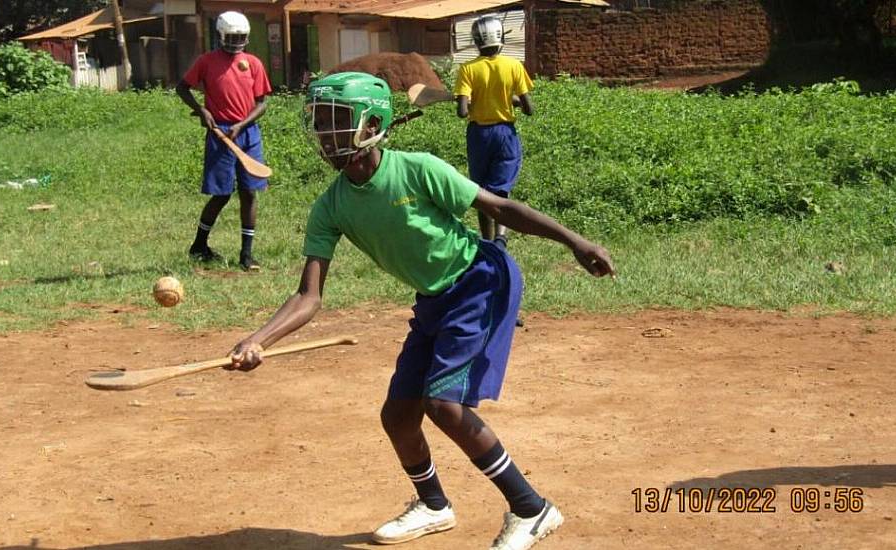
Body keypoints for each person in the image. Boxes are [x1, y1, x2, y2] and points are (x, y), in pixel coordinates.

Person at [229, 72, 615, 550]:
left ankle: (531, 509)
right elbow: (309, 296)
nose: (323, 134)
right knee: (398, 414)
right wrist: (258, 340)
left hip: (478, 281)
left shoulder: (418, 168)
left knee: (443, 404)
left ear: (372, 124)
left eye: (335, 121)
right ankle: (434, 504)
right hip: (433, 300)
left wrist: (575, 242)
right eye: (318, 121)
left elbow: (499, 208)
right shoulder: (330, 207)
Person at [176, 10, 272, 271]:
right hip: (220, 134)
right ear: (220, 35)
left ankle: (247, 255)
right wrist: (202, 110)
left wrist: (242, 124)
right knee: (221, 195)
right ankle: (199, 246)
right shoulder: (206, 61)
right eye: (231, 36)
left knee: (249, 193)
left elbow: (262, 103)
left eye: (240, 36)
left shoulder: (253, 63)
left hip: (248, 134)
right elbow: (182, 87)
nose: (236, 41)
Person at [453, 14, 534, 249]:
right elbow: (529, 109)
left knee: (481, 191)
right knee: (500, 189)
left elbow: (462, 111)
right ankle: (501, 237)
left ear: (476, 40)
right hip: (505, 135)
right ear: (500, 37)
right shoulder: (514, 65)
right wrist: (512, 100)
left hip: (479, 136)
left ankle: (487, 241)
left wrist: (464, 99)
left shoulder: (468, 69)